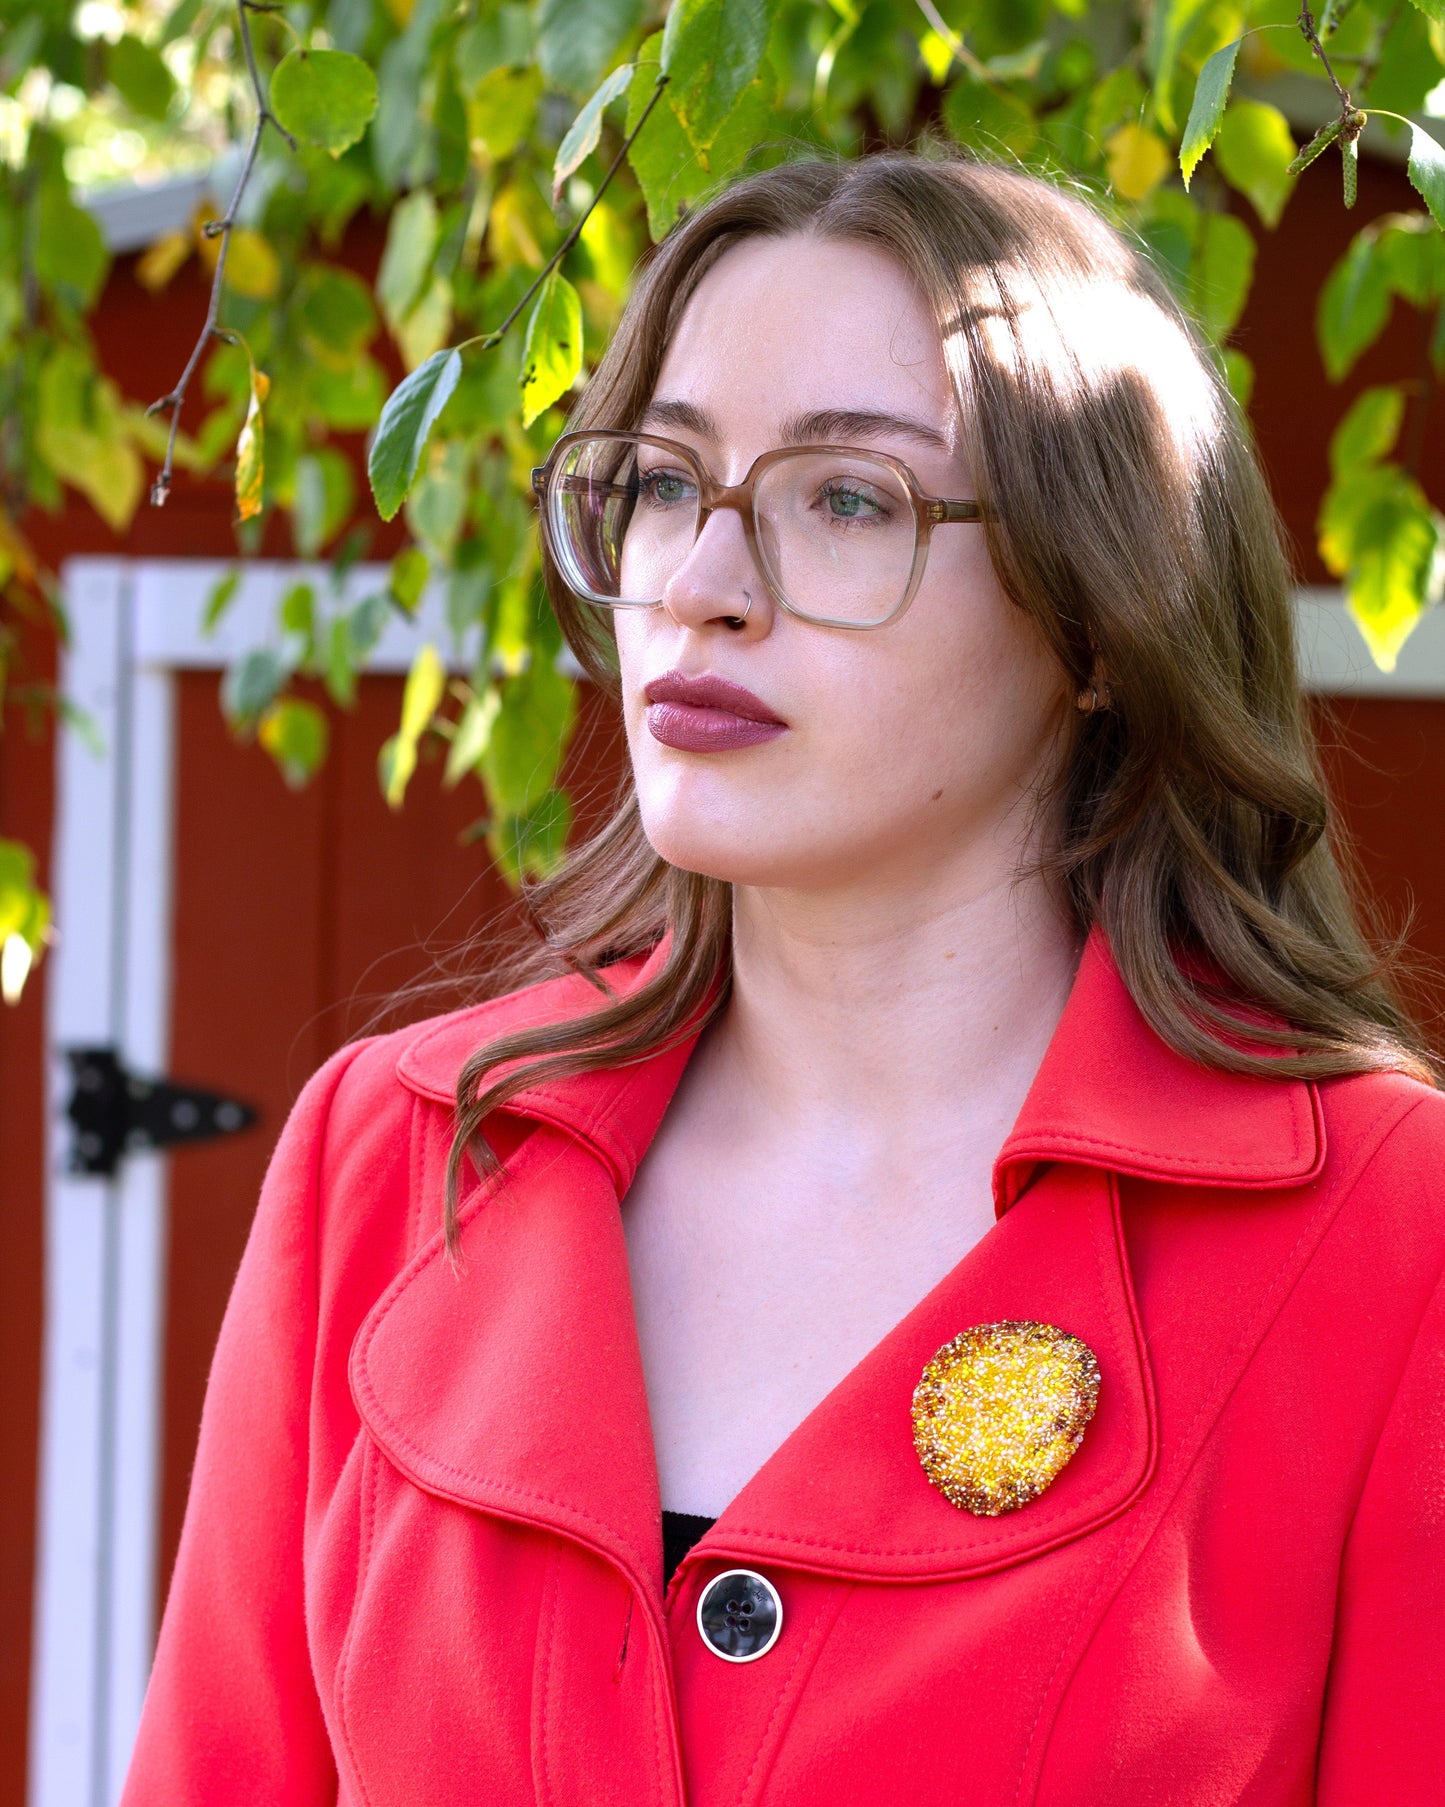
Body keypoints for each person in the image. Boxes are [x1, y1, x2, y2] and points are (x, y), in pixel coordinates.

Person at [122, 152, 1445, 1807]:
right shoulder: (393, 1156)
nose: (696, 586)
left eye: (846, 500)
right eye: (664, 484)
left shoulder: (1387, 1230)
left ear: (1102, 618)